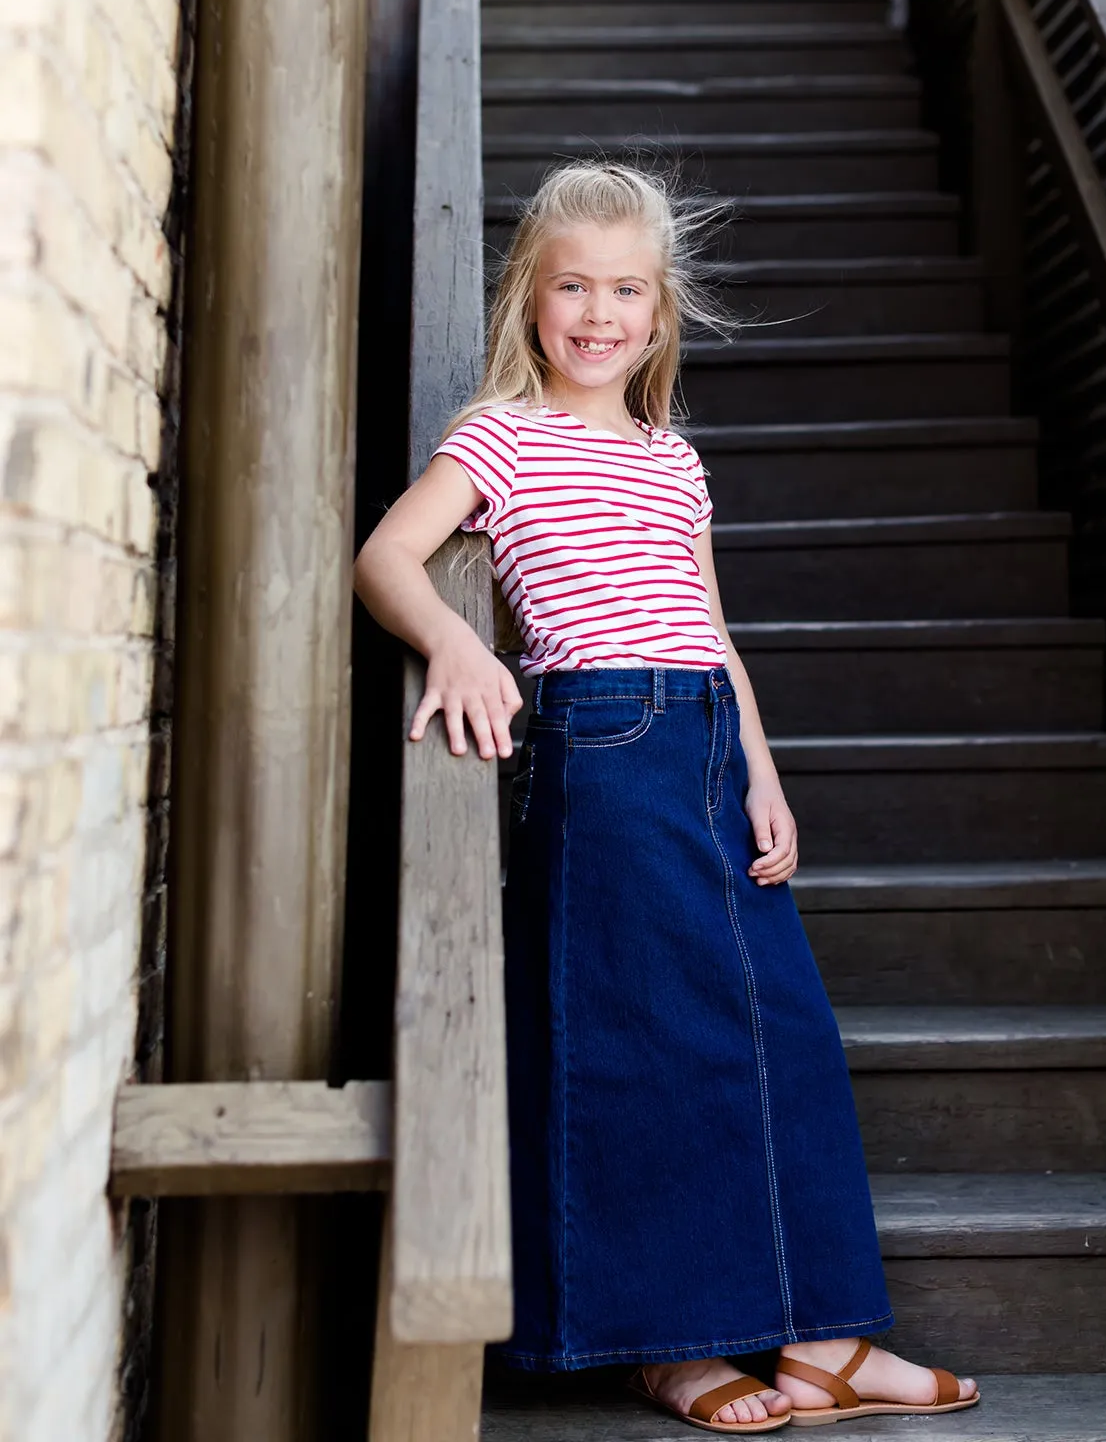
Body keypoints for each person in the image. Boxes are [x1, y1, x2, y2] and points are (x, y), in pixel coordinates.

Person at [353, 161, 979, 1433]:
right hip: (605, 747)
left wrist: (760, 765)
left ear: (659, 309)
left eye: (625, 289)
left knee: (783, 1037)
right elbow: (387, 555)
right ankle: (668, 1345)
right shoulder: (499, 438)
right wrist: (463, 647)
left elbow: (714, 628)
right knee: (650, 1047)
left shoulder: (672, 459)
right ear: (530, 300)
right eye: (571, 286)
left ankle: (827, 1344)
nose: (598, 312)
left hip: (700, 740)